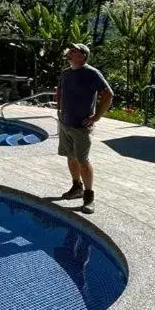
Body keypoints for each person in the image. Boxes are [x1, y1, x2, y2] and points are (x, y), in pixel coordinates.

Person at [54, 43, 113, 214]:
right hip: (65, 123)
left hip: (81, 126)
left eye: (74, 51)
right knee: (70, 157)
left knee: (83, 161)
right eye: (70, 51)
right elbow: (60, 90)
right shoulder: (66, 73)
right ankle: (76, 187)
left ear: (83, 56)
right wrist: (58, 108)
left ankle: (89, 197)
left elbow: (108, 94)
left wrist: (96, 117)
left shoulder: (92, 73)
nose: (70, 53)